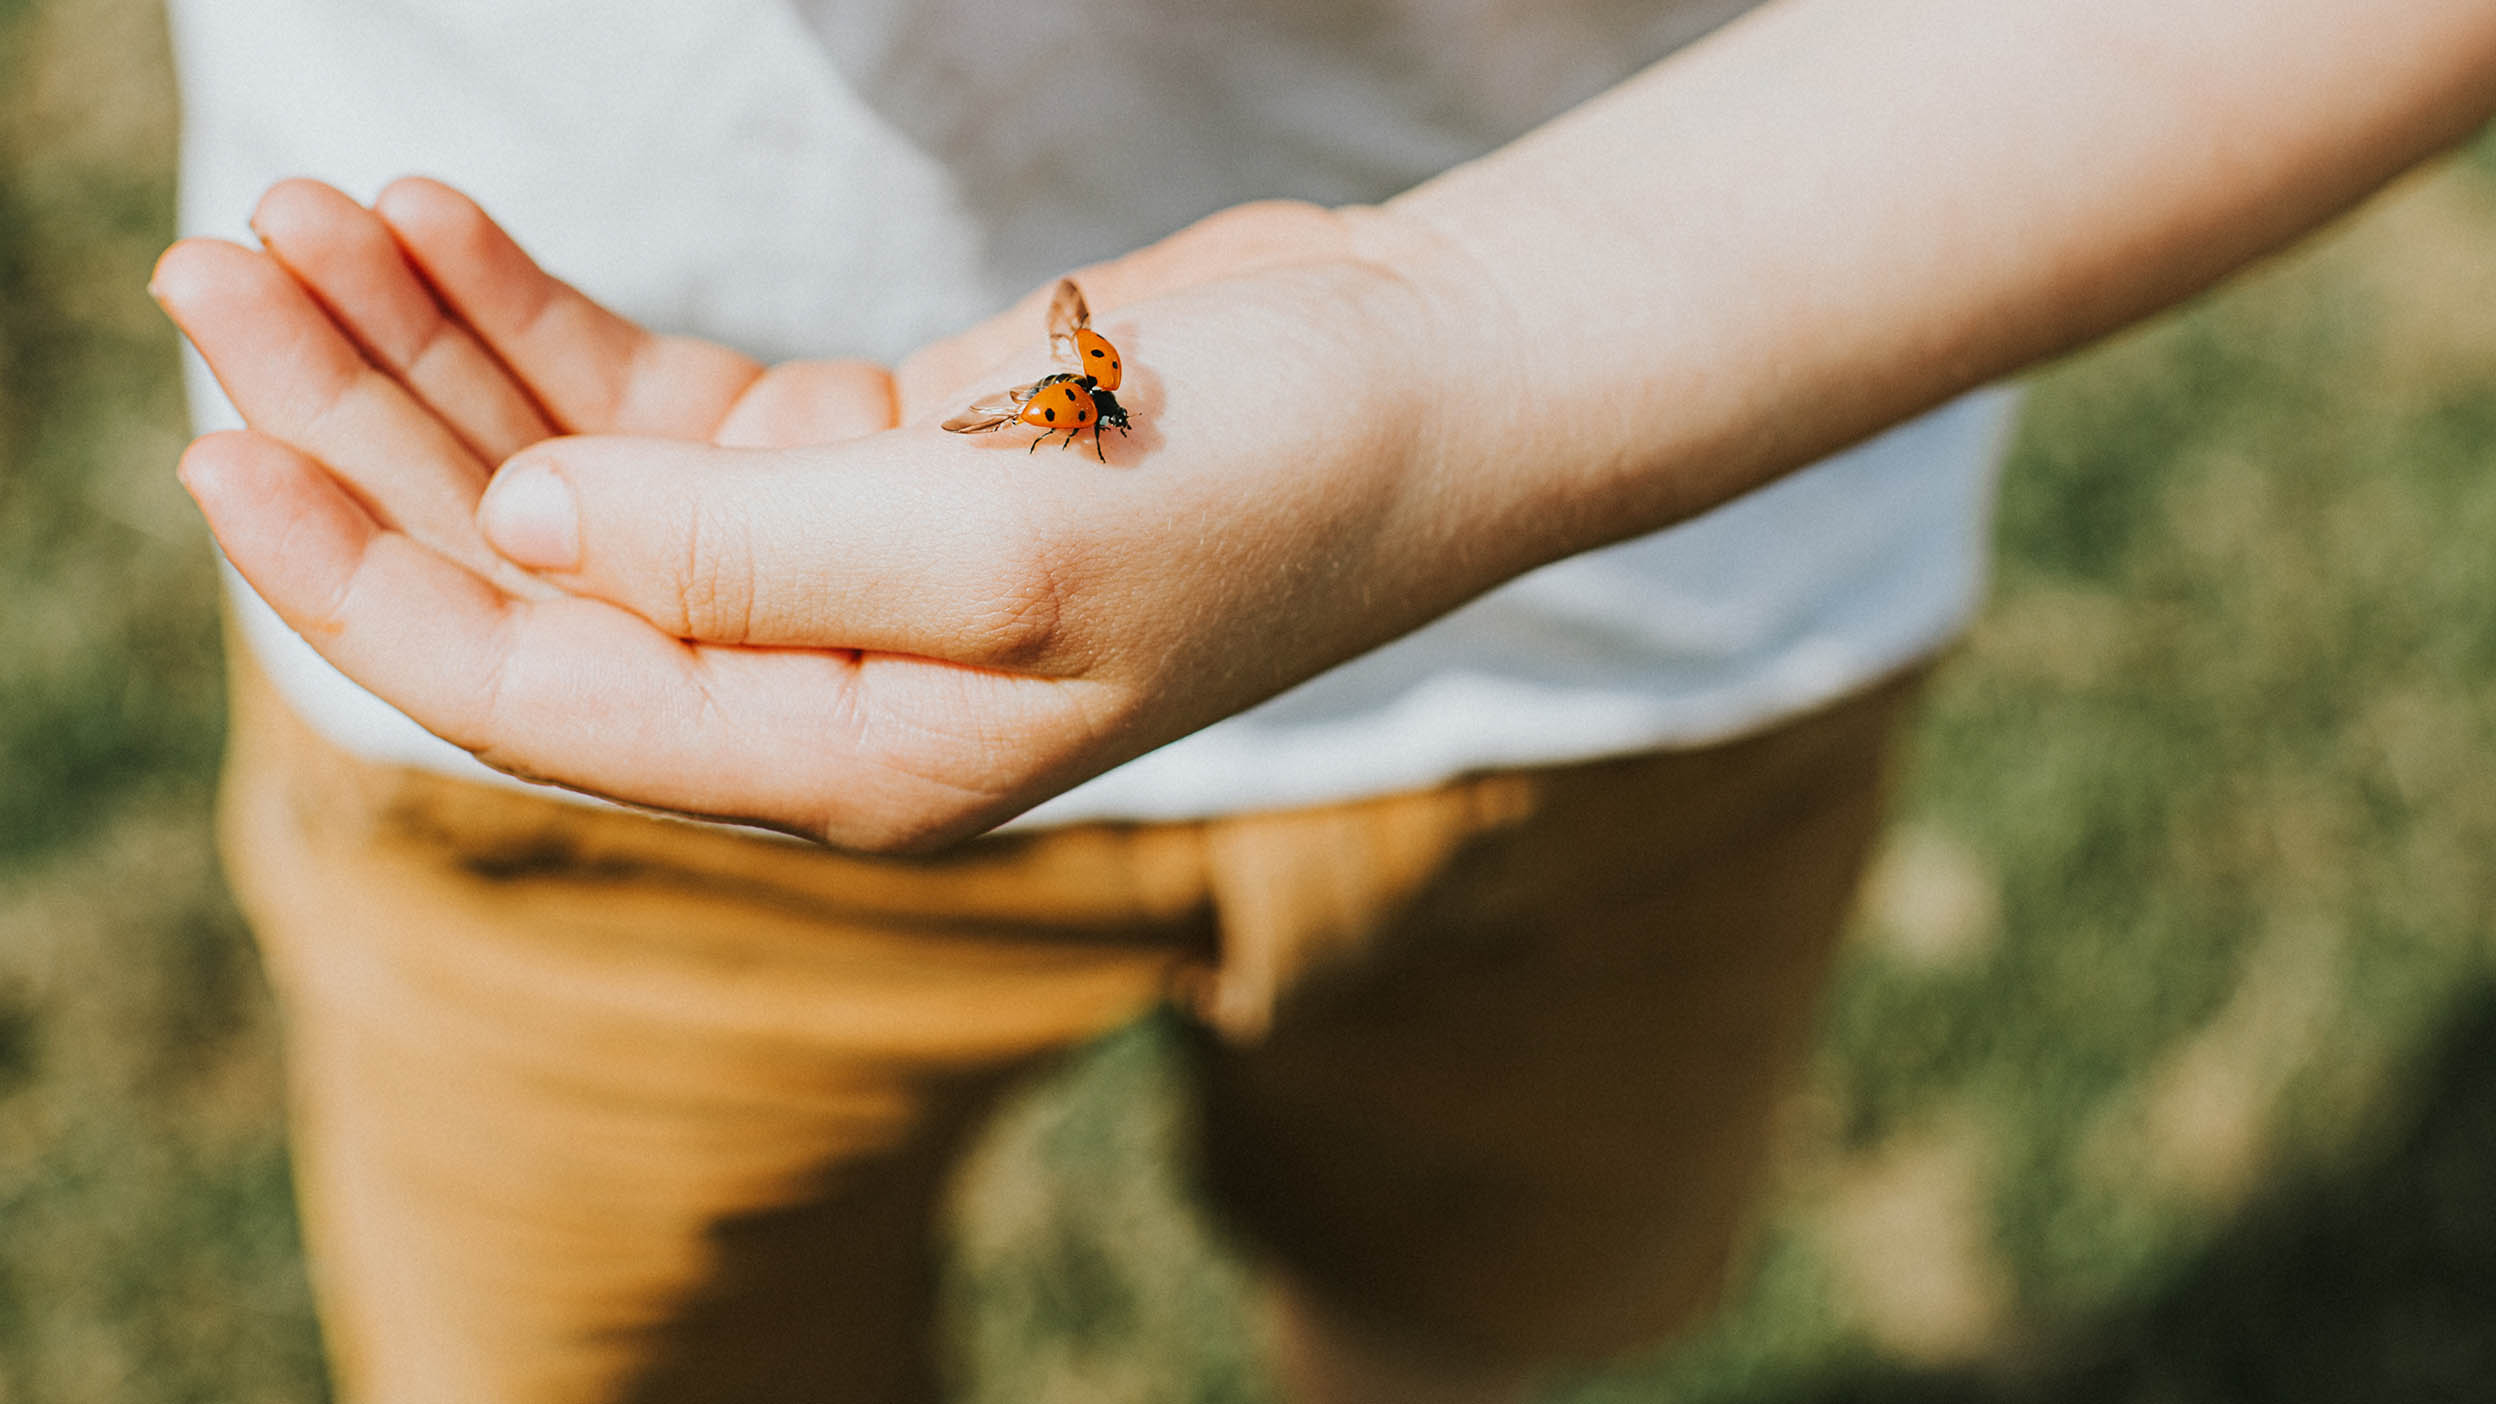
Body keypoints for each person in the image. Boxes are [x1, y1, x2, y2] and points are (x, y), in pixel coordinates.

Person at [150, 0, 2496, 1400]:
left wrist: (1467, 351)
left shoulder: (1126, 399)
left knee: (1479, 1308)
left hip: (1657, 595)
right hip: (573, 651)